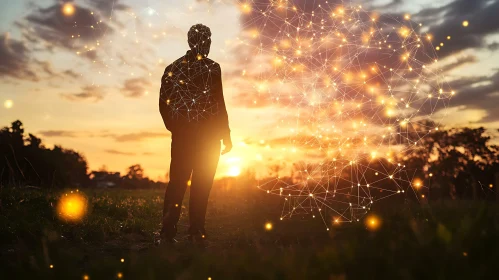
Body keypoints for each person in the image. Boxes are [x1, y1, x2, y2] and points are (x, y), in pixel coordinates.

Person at [158, 23, 232, 246]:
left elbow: (164, 104)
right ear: (196, 41)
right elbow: (219, 103)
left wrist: (177, 128)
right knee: (199, 184)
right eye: (205, 39)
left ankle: (169, 233)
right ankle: (194, 232)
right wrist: (225, 134)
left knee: (179, 183)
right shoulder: (212, 68)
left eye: (208, 39)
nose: (206, 44)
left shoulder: (173, 67)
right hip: (206, 138)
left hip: (189, 137)